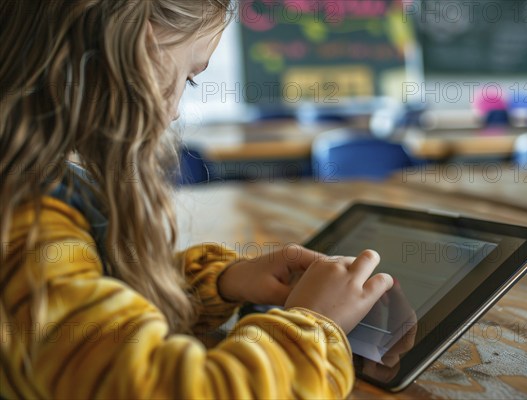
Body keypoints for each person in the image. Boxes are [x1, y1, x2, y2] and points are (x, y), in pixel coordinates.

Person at [0, 1, 394, 398]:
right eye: (189, 77)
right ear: (140, 51)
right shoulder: (28, 223)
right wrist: (314, 325)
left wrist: (223, 282)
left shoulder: (28, 191)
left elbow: (91, 297)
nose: (174, 115)